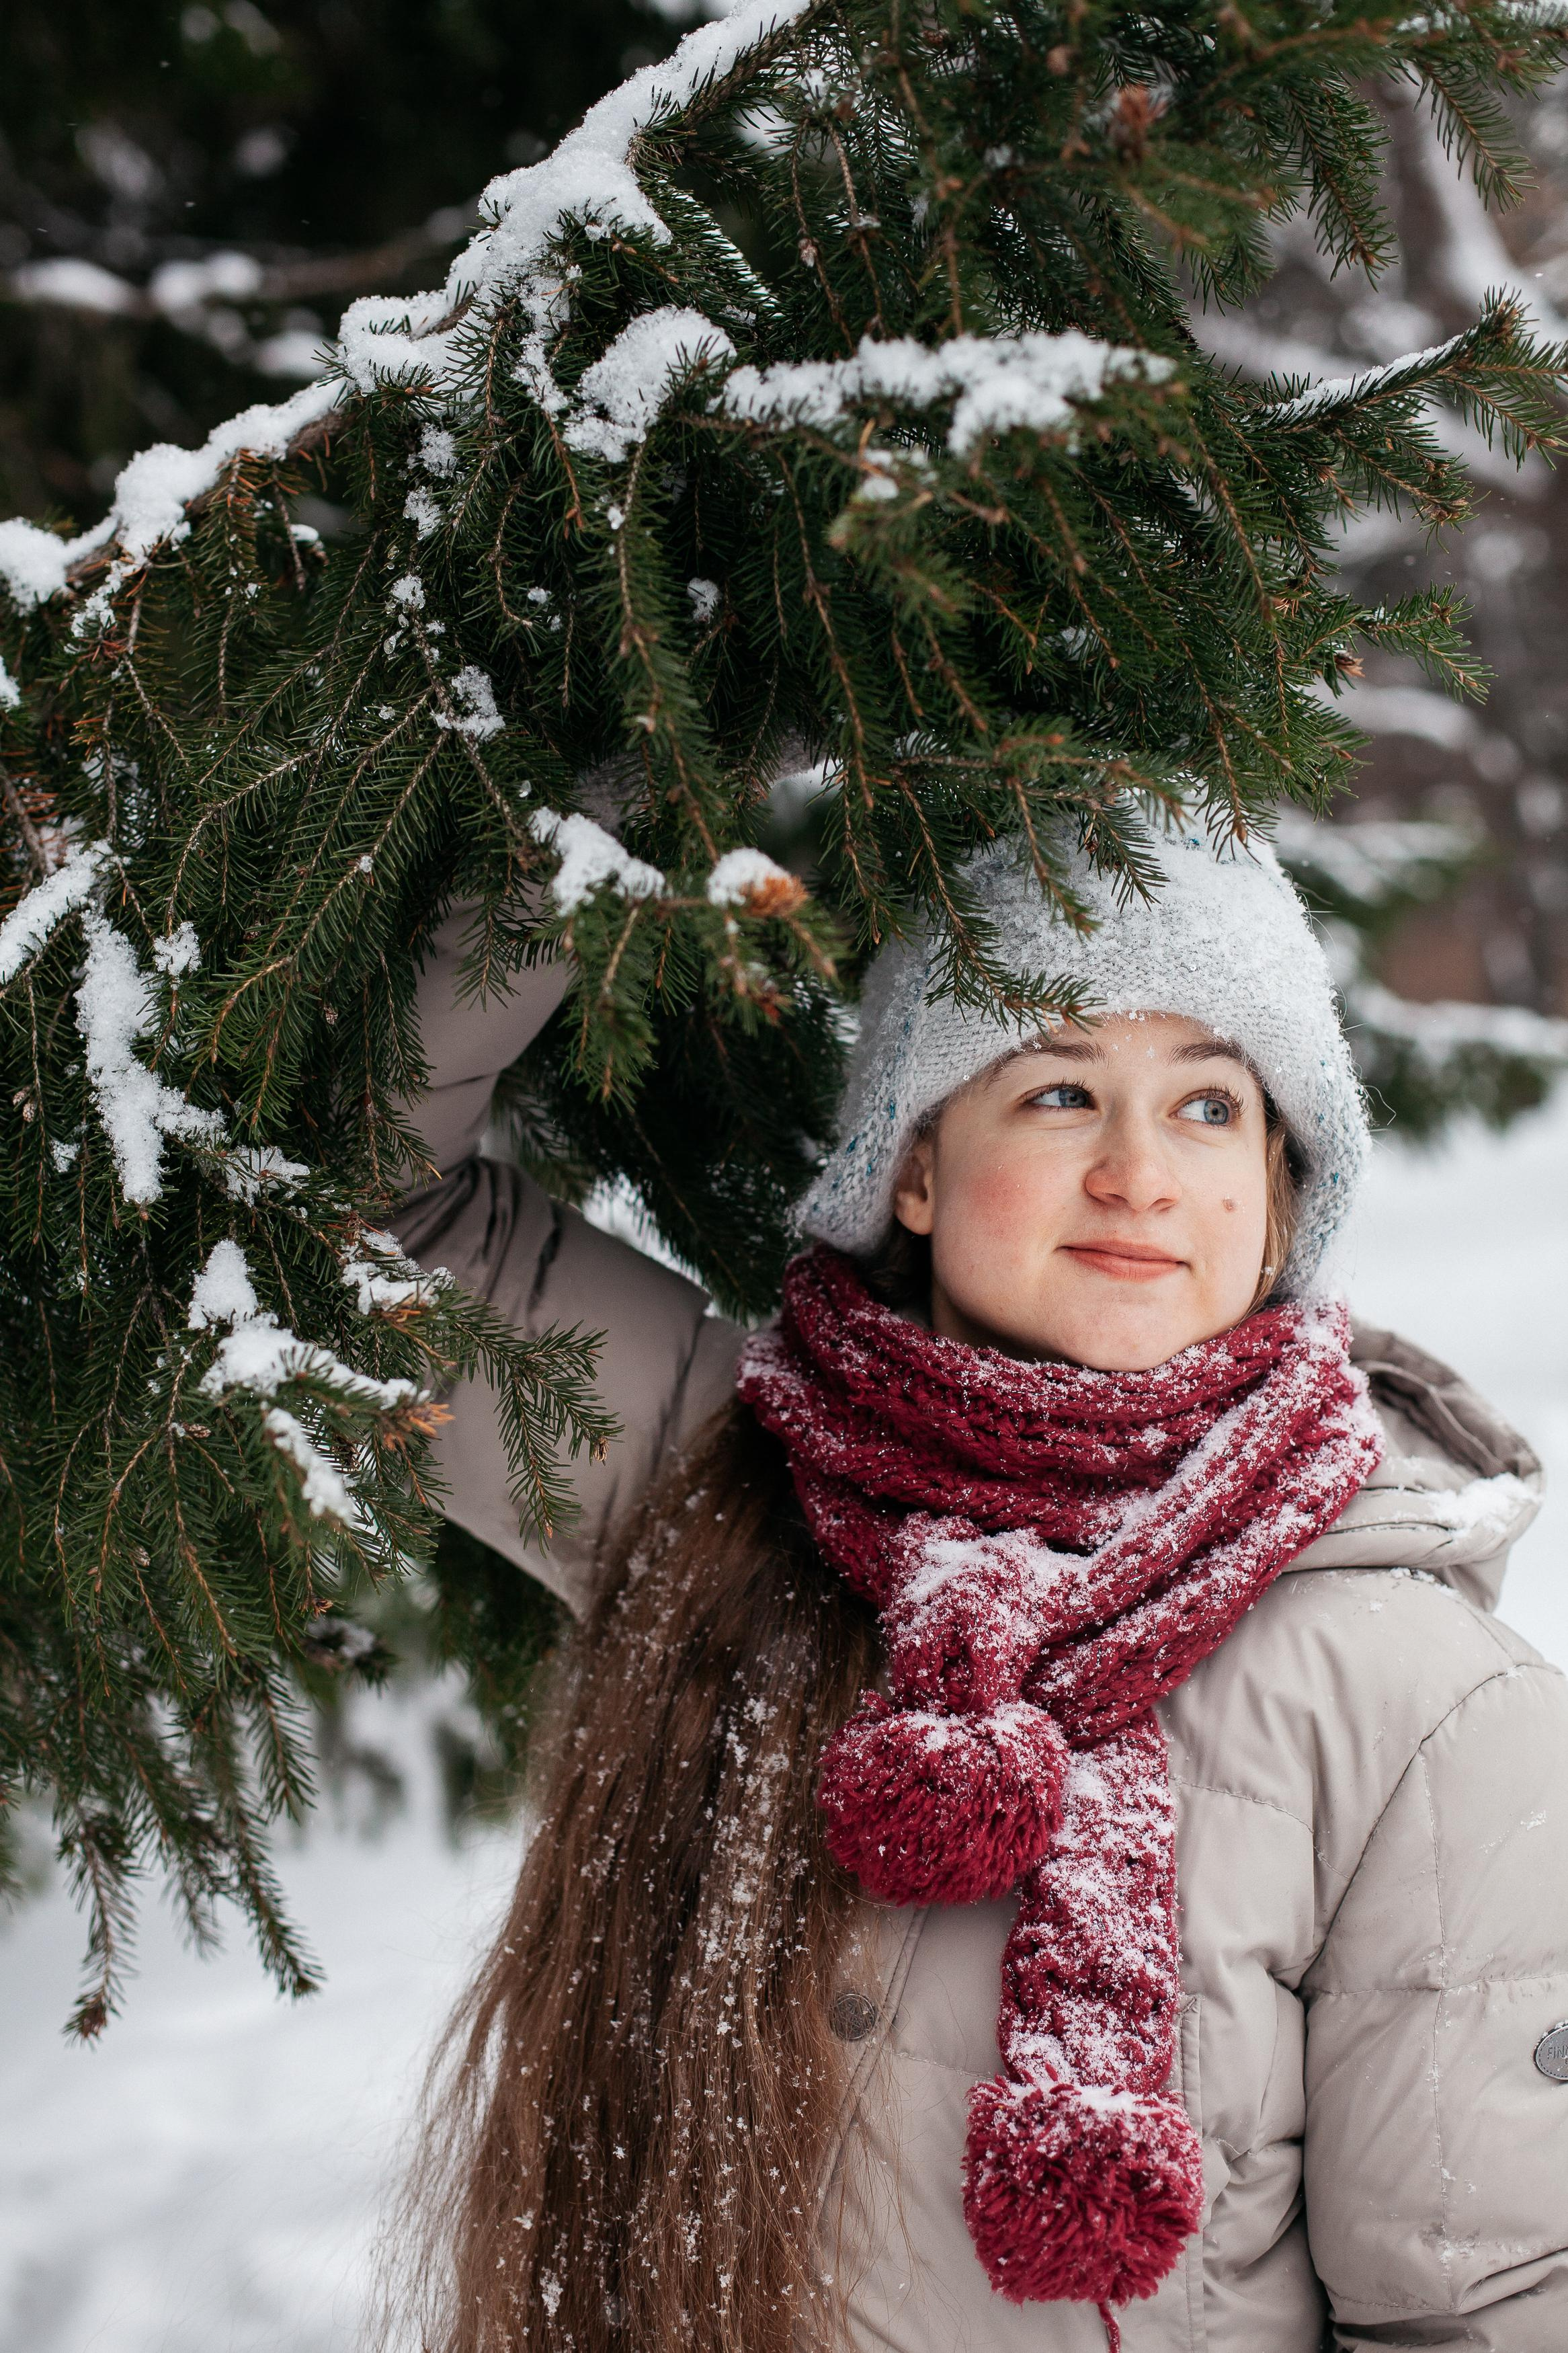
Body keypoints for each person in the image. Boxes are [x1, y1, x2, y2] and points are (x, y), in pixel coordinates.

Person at [387, 825, 1568, 2353]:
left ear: (1280, 1201)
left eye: (1212, 1106)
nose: (1139, 1173)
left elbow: (1484, 2315)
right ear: (918, 1165)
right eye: (1061, 1089)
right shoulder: (721, 1482)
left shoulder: (1428, 1704)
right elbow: (353, 1212)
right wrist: (638, 767)